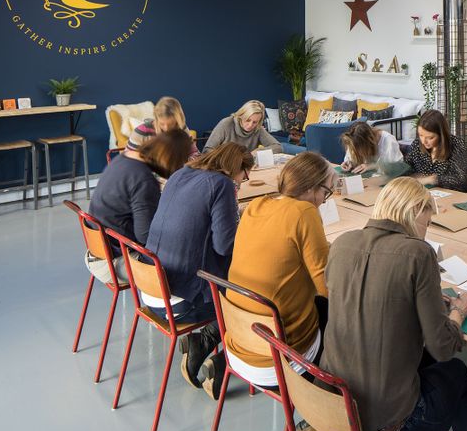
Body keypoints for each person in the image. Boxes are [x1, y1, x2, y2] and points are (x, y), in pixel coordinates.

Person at [321, 177, 467, 431]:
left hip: (332, 425)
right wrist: (457, 314)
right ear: (412, 211)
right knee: (458, 374)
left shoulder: (342, 244)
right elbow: (444, 348)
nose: (426, 230)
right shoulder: (417, 253)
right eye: (426, 221)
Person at [221, 152, 336, 398]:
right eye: (326, 192)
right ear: (312, 187)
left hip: (237, 342)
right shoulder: (304, 212)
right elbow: (327, 286)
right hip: (279, 356)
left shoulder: (256, 205)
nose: (325, 201)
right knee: (341, 315)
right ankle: (330, 407)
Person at [143, 142, 254, 392]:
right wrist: (246, 224)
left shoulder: (181, 173)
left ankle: (207, 346)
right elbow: (226, 246)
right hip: (181, 303)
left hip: (151, 289)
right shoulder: (222, 184)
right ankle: (212, 352)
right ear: (234, 167)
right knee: (254, 302)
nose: (246, 177)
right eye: (245, 171)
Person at [87, 130, 194, 284]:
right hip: (115, 263)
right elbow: (145, 236)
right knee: (191, 259)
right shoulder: (143, 178)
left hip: (98, 252)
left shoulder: (124, 158)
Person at [403, 109, 467, 192]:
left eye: (430, 138)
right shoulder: (417, 144)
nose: (423, 141)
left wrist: (434, 179)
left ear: (441, 135)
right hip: (424, 193)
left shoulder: (456, 144)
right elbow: (405, 169)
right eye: (421, 135)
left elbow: (461, 180)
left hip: (452, 195)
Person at [126, 95, 199, 157]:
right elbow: (128, 160)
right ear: (156, 118)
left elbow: (193, 153)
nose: (166, 129)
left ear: (178, 121)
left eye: (171, 124)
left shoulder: (181, 128)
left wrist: (193, 160)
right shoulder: (141, 132)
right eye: (162, 124)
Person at [203, 99, 283, 154]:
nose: (250, 125)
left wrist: (258, 152)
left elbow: (278, 147)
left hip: (245, 169)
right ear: (241, 115)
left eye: (255, 122)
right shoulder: (226, 123)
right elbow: (207, 150)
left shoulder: (258, 128)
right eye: (248, 120)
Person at [339, 121, 404, 174]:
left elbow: (398, 167)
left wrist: (373, 166)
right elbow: (350, 157)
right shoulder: (353, 139)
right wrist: (349, 163)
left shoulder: (388, 140)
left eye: (359, 150)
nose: (358, 153)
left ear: (368, 143)